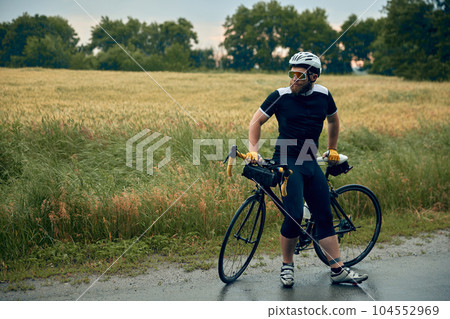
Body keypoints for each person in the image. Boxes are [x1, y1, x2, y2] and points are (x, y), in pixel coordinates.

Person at [246, 52, 368, 287]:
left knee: (324, 214)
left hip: (310, 159)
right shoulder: (280, 96)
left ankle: (337, 269)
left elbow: (333, 120)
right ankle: (287, 266)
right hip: (287, 159)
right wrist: (253, 150)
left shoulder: (323, 95)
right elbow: (255, 121)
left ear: (313, 76)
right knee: (294, 214)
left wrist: (332, 148)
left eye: (299, 75)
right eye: (291, 73)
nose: (293, 79)